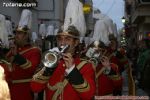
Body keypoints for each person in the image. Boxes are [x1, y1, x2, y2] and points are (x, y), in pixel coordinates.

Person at [31, 25, 96, 100]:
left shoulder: (86, 66)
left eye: (67, 39)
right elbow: (35, 88)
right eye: (60, 39)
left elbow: (88, 95)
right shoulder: (50, 61)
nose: (62, 43)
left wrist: (72, 70)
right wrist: (48, 68)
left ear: (76, 42)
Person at [5, 25, 41, 100]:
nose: (16, 36)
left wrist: (17, 56)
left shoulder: (34, 51)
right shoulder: (11, 50)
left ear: (26, 36)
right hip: (9, 90)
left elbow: (32, 69)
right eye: (16, 33)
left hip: (24, 90)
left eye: (19, 33)